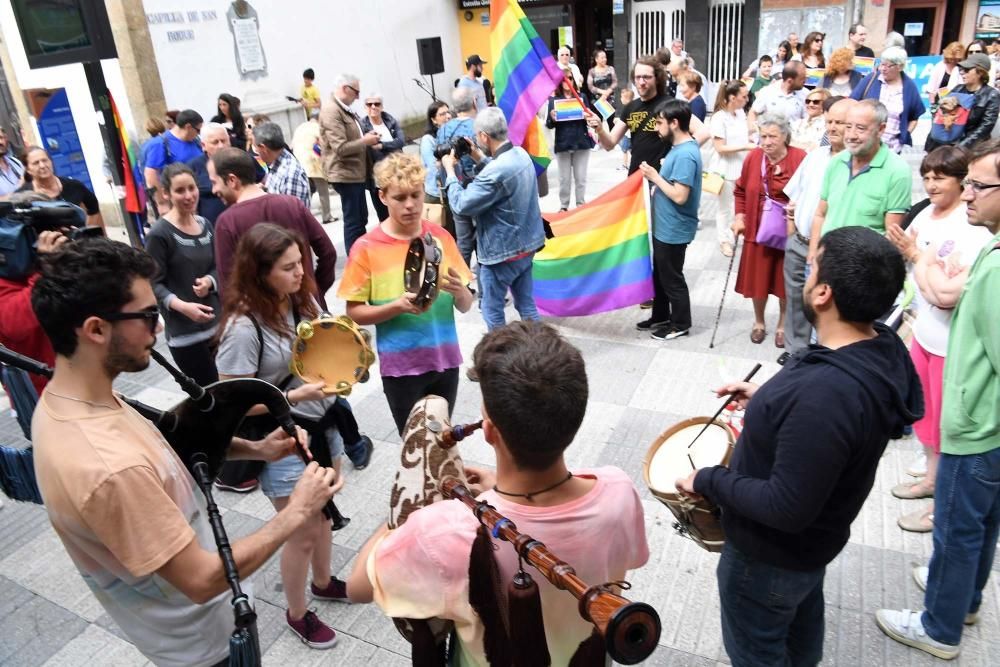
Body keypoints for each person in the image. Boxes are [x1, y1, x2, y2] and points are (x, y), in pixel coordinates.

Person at [30, 236, 337, 666]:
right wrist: (297, 511)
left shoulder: (77, 401)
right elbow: (202, 579)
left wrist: (256, 449)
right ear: (96, 329)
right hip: (203, 651)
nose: (158, 329)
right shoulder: (106, 466)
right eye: (148, 316)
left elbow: (161, 450)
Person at [678, 226, 921, 667]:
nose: (804, 276)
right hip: (810, 549)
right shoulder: (878, 346)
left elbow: (787, 507)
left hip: (769, 557)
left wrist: (707, 478)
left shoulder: (824, 397)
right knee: (799, 636)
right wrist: (769, 401)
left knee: (759, 652)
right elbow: (829, 420)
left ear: (824, 293)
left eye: (811, 268)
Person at [346, 321, 650, 666]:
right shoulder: (619, 489)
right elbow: (624, 563)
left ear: (488, 431)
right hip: (589, 655)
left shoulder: (442, 528)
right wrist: (498, 491)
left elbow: (357, 588)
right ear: (576, 417)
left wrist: (404, 510)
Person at [874, 138, 1000, 661]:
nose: (966, 193)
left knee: (955, 526)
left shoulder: (993, 267)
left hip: (980, 424)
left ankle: (939, 627)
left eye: (978, 185)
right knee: (981, 522)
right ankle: (963, 599)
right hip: (986, 419)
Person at [214, 223, 354, 648]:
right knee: (302, 529)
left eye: (302, 264)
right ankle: (297, 613)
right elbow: (229, 400)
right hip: (278, 437)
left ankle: (324, 582)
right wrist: (292, 395)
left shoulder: (300, 298)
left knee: (323, 511)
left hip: (320, 422)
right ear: (260, 273)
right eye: (289, 267)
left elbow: (322, 344)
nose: (300, 274)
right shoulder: (242, 326)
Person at [883, 146, 993, 534]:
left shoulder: (974, 229)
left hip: (953, 346)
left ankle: (941, 508)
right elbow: (922, 276)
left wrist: (918, 256)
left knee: (950, 431)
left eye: (940, 177)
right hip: (924, 334)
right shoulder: (926, 214)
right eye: (926, 176)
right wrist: (922, 262)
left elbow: (944, 295)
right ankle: (931, 482)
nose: (930, 184)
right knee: (927, 422)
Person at [338, 153, 473, 434]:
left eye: (416, 194)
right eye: (400, 197)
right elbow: (354, 313)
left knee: (442, 440)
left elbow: (465, 305)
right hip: (401, 368)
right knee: (414, 446)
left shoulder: (441, 237)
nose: (410, 205)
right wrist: (396, 306)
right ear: (383, 196)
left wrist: (461, 292)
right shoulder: (366, 247)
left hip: (445, 360)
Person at [443, 108, 546, 331]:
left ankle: (499, 358)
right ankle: (540, 348)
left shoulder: (495, 171)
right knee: (527, 305)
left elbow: (462, 205)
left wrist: (450, 173)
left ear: (483, 137)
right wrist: (478, 157)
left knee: (492, 310)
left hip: (501, 255)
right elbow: (501, 176)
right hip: (527, 247)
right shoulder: (521, 154)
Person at [209, 147, 337, 304]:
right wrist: (314, 291)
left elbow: (228, 286)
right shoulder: (291, 204)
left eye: (214, 182)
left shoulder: (227, 222)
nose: (213, 190)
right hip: (308, 310)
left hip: (264, 320)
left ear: (232, 180)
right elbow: (328, 253)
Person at [782, 98, 854, 359]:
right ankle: (795, 352)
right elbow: (793, 197)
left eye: (840, 123)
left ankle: (819, 354)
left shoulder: (854, 164)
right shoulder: (815, 156)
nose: (833, 127)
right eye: (830, 122)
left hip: (829, 249)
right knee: (795, 300)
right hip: (799, 241)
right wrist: (791, 234)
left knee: (824, 304)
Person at [733, 114, 807, 346]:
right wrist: (739, 216)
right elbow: (741, 190)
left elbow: (808, 193)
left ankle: (783, 325)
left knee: (785, 281)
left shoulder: (800, 158)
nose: (766, 142)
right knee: (759, 279)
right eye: (762, 136)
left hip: (789, 230)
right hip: (757, 229)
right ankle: (759, 322)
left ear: (785, 136)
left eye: (772, 136)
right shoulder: (754, 157)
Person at [808, 100, 912, 263]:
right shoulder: (836, 162)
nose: (851, 135)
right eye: (848, 126)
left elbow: (891, 237)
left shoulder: (897, 171)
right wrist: (813, 255)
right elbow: (820, 214)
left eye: (860, 128)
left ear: (881, 129)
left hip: (862, 270)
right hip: (825, 261)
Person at [145, 163, 220, 387]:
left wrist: (210, 281)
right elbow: (151, 282)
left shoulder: (205, 224)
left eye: (191, 188)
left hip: (218, 327)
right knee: (209, 398)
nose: (188, 196)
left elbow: (219, 265)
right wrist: (182, 306)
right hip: (186, 335)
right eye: (180, 191)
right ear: (166, 193)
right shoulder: (160, 234)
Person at [636, 99, 701, 341]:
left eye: (660, 122)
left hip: (674, 228)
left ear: (674, 123)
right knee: (661, 274)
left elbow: (680, 195)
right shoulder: (679, 149)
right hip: (665, 226)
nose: (656, 127)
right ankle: (661, 315)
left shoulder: (685, 154)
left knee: (672, 277)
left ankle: (681, 322)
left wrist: (655, 176)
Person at [0, 194, 68, 396]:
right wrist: (46, 269)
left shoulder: (56, 268)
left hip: (82, 378)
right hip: (42, 393)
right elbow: (15, 324)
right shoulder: (7, 278)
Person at [319, 73, 380, 255]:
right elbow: (340, 147)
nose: (358, 97)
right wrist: (365, 141)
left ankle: (361, 257)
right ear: (346, 88)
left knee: (361, 218)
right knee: (354, 221)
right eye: (356, 92)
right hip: (345, 174)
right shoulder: (332, 110)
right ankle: (356, 261)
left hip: (355, 173)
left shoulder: (342, 108)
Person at [709, 80, 755, 259]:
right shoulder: (719, 118)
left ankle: (739, 234)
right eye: (743, 96)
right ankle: (724, 240)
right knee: (725, 208)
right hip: (725, 169)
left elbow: (745, 133)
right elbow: (720, 147)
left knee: (742, 205)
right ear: (732, 97)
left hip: (743, 168)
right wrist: (746, 147)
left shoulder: (740, 114)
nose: (746, 99)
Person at [850, 46, 926, 153]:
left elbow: (914, 117)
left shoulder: (909, 87)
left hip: (892, 149)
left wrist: (904, 135)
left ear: (900, 67)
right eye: (881, 64)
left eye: (887, 65)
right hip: (865, 145)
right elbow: (852, 102)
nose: (882, 68)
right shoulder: (871, 79)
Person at [437, 88, 479, 267]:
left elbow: (441, 159)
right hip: (477, 189)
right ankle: (485, 287)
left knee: (463, 239)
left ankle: (463, 283)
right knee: (481, 237)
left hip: (454, 186)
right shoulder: (478, 127)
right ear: (474, 102)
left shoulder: (443, 130)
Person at [925, 52, 1000, 152]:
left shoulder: (991, 94)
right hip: (943, 144)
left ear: (981, 72)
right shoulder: (957, 88)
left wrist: (960, 148)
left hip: (969, 150)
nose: (962, 72)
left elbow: (985, 127)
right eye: (961, 69)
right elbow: (940, 114)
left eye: (967, 70)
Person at [20, 147, 102, 228]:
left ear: (51, 162)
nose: (42, 165)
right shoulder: (23, 196)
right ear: (28, 169)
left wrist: (87, 233)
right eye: (36, 163)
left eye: (45, 160)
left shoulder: (73, 185)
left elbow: (93, 205)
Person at [546, 72, 593, 211]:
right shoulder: (553, 101)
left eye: (570, 78)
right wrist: (552, 118)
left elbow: (590, 119)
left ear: (574, 80)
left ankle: (580, 205)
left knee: (581, 178)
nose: (567, 81)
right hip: (563, 143)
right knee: (564, 179)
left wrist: (587, 115)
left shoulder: (582, 97)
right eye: (563, 79)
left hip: (581, 142)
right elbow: (549, 125)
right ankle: (564, 206)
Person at [144, 109, 204, 211]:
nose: (199, 133)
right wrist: (162, 202)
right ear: (188, 127)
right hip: (179, 200)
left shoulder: (195, 141)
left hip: (198, 196)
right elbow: (150, 174)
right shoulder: (161, 143)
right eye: (198, 130)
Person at [360, 92, 405, 222]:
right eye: (369, 104)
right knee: (384, 216)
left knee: (401, 211)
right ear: (365, 107)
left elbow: (401, 141)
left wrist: (382, 146)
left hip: (397, 172)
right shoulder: (363, 126)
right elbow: (366, 148)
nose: (373, 107)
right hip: (377, 177)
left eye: (377, 104)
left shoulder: (390, 120)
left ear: (382, 106)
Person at [291, 108, 336, 224]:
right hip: (312, 162)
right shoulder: (317, 128)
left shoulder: (300, 127)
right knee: (323, 190)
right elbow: (324, 144)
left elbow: (292, 145)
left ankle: (302, 217)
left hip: (298, 162)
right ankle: (327, 216)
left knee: (306, 191)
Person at [254, 121, 311, 208]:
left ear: (263, 148)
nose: (256, 151)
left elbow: (290, 215)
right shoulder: (276, 165)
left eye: (256, 147)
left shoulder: (290, 174)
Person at [419, 101, 454, 236]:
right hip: (437, 195)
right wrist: (449, 162)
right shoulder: (429, 140)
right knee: (441, 235)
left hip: (451, 190)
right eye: (442, 114)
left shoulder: (450, 135)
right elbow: (435, 168)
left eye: (448, 112)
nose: (448, 116)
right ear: (433, 119)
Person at [186, 122, 230, 223]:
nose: (221, 146)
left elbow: (262, 180)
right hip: (211, 226)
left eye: (224, 141)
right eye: (215, 142)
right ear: (203, 145)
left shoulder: (241, 159)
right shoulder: (193, 167)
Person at [748, 61, 807, 129]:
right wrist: (753, 134)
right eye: (802, 79)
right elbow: (753, 113)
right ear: (790, 81)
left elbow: (808, 119)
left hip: (794, 138)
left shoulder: (805, 95)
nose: (805, 81)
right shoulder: (768, 92)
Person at [926, 42, 965, 109]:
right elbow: (931, 89)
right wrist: (933, 105)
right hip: (939, 103)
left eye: (957, 59)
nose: (953, 61)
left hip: (957, 105)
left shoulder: (962, 68)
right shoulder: (939, 66)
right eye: (952, 58)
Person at [586, 48, 618, 126]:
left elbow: (615, 82)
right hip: (597, 101)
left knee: (611, 123)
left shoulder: (610, 69)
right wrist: (602, 92)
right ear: (596, 59)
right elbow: (590, 86)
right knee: (597, 123)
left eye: (605, 57)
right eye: (602, 57)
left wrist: (608, 92)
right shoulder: (592, 71)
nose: (605, 59)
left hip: (609, 100)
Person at [618, 88, 634, 171]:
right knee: (631, 150)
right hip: (631, 134)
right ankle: (632, 164)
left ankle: (624, 165)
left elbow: (625, 122)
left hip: (628, 134)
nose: (620, 99)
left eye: (621, 97)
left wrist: (618, 121)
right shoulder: (633, 108)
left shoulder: (627, 109)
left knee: (624, 150)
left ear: (626, 99)